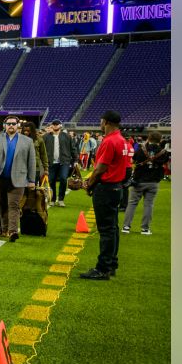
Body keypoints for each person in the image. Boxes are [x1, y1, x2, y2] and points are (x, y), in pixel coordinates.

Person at [81, 111, 133, 279]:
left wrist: (90, 184)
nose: (100, 123)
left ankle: (103, 268)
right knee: (112, 228)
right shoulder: (123, 140)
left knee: (106, 230)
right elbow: (126, 168)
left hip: (106, 188)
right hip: (116, 187)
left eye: (101, 121)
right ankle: (111, 264)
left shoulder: (110, 141)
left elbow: (101, 168)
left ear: (106, 122)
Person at [0, 115, 37, 241]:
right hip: (0, 179)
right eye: (8, 123)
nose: (11, 126)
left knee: (13, 205)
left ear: (17, 125)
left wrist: (32, 180)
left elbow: (31, 162)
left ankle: (13, 231)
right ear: (4, 125)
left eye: (13, 124)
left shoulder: (27, 141)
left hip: (19, 179)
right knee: (2, 205)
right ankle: (4, 229)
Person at [123, 130, 168, 236]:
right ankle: (145, 229)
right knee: (149, 205)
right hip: (153, 182)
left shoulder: (141, 149)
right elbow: (165, 165)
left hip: (138, 181)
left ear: (149, 138)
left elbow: (132, 161)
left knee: (132, 204)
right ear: (160, 140)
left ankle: (126, 227)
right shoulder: (163, 152)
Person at [45, 120, 79, 207]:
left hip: (64, 161)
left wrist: (75, 160)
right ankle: (52, 199)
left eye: (57, 124)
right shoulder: (46, 137)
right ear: (52, 126)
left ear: (60, 126)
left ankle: (61, 199)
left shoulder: (67, 136)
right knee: (51, 180)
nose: (55, 126)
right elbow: (42, 150)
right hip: (51, 162)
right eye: (54, 124)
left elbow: (73, 148)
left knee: (63, 179)